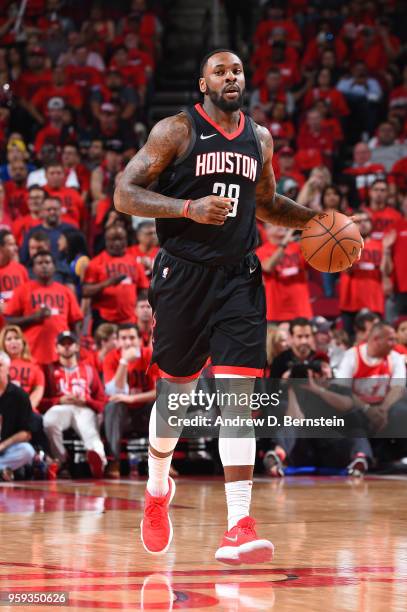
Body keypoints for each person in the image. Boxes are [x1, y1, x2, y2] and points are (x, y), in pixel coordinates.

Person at [114, 49, 318, 564]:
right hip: (182, 274)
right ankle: (158, 490)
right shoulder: (175, 131)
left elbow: (268, 205)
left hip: (239, 276)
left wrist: (318, 222)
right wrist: (187, 207)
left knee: (237, 399)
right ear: (203, 83)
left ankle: (238, 525)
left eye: (238, 71)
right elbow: (124, 193)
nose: (231, 78)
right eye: (220, 72)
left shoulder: (260, 138)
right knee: (176, 401)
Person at [42, 331, 107, 478]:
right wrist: (59, 400)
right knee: (49, 422)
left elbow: (102, 400)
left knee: (89, 431)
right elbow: (40, 400)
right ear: (56, 348)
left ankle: (98, 463)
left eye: (70, 344)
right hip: (60, 406)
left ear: (77, 347)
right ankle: (61, 461)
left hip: (84, 407)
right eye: (62, 344)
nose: (66, 347)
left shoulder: (89, 369)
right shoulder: (49, 370)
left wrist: (86, 401)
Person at [4, 251, 83, 364]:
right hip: (30, 354)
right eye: (39, 263)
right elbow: (9, 321)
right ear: (34, 269)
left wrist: (76, 348)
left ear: (54, 267)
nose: (44, 266)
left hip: (60, 355)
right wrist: (33, 317)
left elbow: (75, 323)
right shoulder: (22, 290)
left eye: (47, 262)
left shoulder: (65, 291)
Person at [103, 324, 157, 479]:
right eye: (123, 338)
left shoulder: (150, 356)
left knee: (162, 405)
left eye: (132, 338)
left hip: (145, 412)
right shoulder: (111, 358)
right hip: (123, 416)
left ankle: (164, 461)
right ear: (118, 341)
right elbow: (114, 393)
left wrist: (132, 398)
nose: (128, 342)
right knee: (113, 406)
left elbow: (161, 391)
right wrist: (124, 362)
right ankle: (114, 461)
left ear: (140, 340)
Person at [82, 225, 149, 330]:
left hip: (130, 319)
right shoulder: (96, 262)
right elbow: (85, 291)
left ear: (126, 240)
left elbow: (143, 289)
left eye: (121, 239)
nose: (117, 243)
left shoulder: (134, 262)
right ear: (106, 241)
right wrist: (107, 283)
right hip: (104, 320)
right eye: (113, 239)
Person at [256, 224, 312, 322]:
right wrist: (284, 244)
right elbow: (268, 267)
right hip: (276, 313)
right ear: (266, 231)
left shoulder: (298, 248)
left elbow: (316, 262)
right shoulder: (261, 251)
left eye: (281, 223)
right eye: (275, 224)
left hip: (301, 311)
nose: (281, 226)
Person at [0, 351, 35, 481]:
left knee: (27, 451)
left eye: (0, 365)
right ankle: (2, 471)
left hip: (7, 448)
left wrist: (2, 446)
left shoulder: (20, 396)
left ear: (8, 369)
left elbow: (26, 434)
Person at [0, 229, 29, 305]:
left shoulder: (21, 269)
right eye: (11, 244)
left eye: (15, 244)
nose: (16, 248)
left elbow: (27, 294)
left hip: (19, 315)